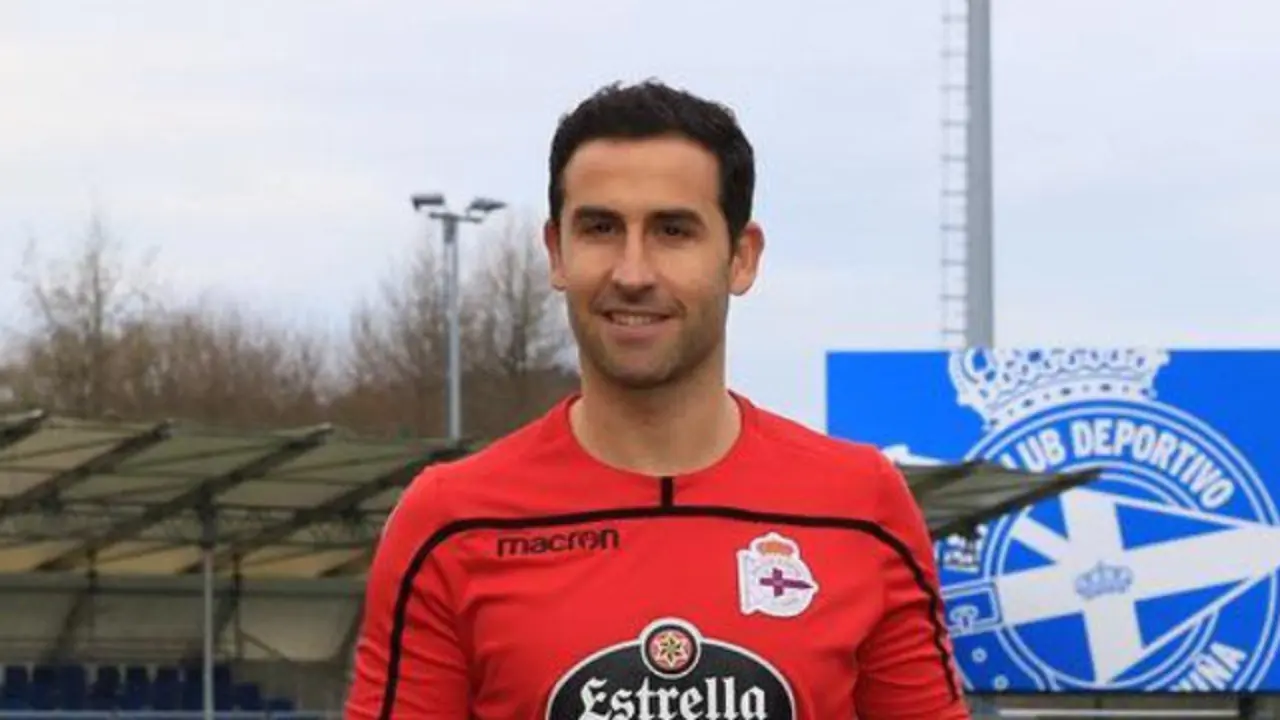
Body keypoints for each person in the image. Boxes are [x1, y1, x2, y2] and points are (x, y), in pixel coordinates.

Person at [344, 79, 970, 720]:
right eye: (601, 228)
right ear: (557, 251)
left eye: (674, 230)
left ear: (741, 258)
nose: (633, 272)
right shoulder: (449, 523)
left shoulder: (862, 505)